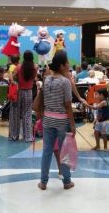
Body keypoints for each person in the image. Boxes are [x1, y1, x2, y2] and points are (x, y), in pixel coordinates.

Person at [38, 50, 76, 190]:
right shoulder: (65, 82)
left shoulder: (46, 79)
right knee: (63, 151)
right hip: (62, 122)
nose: (68, 65)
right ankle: (66, 181)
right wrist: (72, 124)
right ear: (61, 65)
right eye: (66, 63)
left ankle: (43, 182)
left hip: (47, 120)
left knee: (47, 151)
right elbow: (67, 105)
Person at [9, 50, 37, 142]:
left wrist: (13, 81)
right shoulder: (34, 67)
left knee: (15, 114)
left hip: (18, 91)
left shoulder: (19, 67)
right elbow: (34, 78)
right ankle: (27, 136)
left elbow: (12, 77)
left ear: (23, 57)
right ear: (32, 57)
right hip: (28, 92)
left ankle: (14, 136)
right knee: (27, 114)